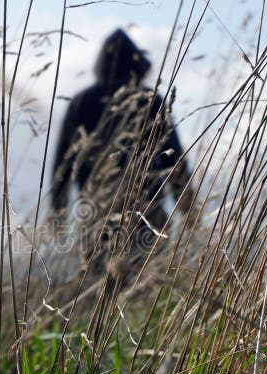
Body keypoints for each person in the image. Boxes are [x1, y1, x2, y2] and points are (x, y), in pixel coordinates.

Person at [50, 28, 195, 277]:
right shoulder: (151, 100)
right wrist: (188, 208)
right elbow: (175, 160)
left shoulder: (81, 102)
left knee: (101, 289)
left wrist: (58, 211)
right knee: (147, 289)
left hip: (96, 215)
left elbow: (63, 163)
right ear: (137, 65)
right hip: (148, 213)